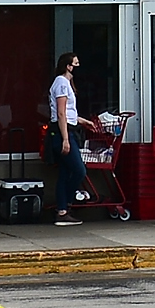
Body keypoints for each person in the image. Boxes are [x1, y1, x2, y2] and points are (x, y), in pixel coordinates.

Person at [45, 52, 91, 225]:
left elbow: (68, 113)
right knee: (79, 170)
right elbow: (61, 112)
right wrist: (65, 138)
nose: (78, 67)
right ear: (68, 66)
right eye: (76, 64)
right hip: (62, 132)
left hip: (65, 129)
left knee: (64, 173)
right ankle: (71, 200)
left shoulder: (65, 84)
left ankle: (63, 210)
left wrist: (83, 121)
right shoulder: (62, 83)